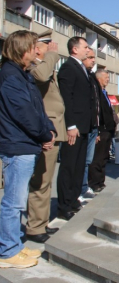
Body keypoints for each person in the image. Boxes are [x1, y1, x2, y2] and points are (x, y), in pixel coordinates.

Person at [0, 30, 56, 268]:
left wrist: (49, 129)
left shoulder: (22, 75)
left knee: (17, 200)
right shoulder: (10, 76)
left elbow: (38, 109)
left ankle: (15, 246)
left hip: (25, 143)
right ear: (22, 49)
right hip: (17, 144)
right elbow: (24, 113)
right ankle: (7, 252)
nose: (37, 51)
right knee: (13, 202)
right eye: (34, 47)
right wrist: (43, 134)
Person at [25, 31, 66, 244]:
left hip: (53, 128)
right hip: (44, 130)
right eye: (43, 45)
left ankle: (40, 223)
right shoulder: (33, 67)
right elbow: (41, 76)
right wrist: (51, 56)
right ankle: (34, 227)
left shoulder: (43, 65)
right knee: (40, 181)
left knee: (46, 181)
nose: (51, 48)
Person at [57, 37, 93, 221]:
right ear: (74, 49)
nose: (88, 49)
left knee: (79, 166)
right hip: (74, 127)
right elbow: (66, 99)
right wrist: (70, 125)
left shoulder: (82, 68)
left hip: (84, 126)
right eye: (85, 47)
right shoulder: (68, 68)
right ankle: (64, 205)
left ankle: (73, 200)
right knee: (69, 167)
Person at [88, 69, 116, 193]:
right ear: (99, 78)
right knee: (97, 158)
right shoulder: (96, 93)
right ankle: (94, 182)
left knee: (104, 157)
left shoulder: (104, 92)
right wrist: (98, 131)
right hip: (102, 129)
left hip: (108, 130)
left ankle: (101, 181)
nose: (108, 80)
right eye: (106, 77)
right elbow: (97, 113)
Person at [80, 49, 98, 202]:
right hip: (82, 126)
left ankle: (84, 187)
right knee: (83, 161)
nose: (93, 60)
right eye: (90, 57)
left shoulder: (91, 77)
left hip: (93, 126)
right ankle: (81, 188)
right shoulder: (76, 73)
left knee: (88, 160)